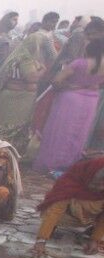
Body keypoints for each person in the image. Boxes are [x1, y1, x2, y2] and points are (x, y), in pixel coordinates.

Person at [34, 39, 104, 173]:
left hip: (71, 99)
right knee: (79, 131)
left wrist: (72, 86)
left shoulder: (79, 63)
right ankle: (69, 163)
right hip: (91, 100)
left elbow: (56, 81)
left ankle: (51, 162)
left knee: (60, 130)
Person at [0, 33, 49, 154]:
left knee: (13, 129)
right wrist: (42, 71)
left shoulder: (22, 56)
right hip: (16, 101)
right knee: (9, 129)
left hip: (19, 100)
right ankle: (1, 155)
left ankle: (6, 155)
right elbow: (31, 78)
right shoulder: (25, 58)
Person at [32, 157, 104, 256]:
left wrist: (95, 240)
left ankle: (92, 231)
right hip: (66, 216)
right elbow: (55, 210)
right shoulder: (70, 182)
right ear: (89, 176)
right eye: (97, 184)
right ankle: (50, 228)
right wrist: (41, 240)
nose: (101, 188)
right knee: (53, 210)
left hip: (91, 219)